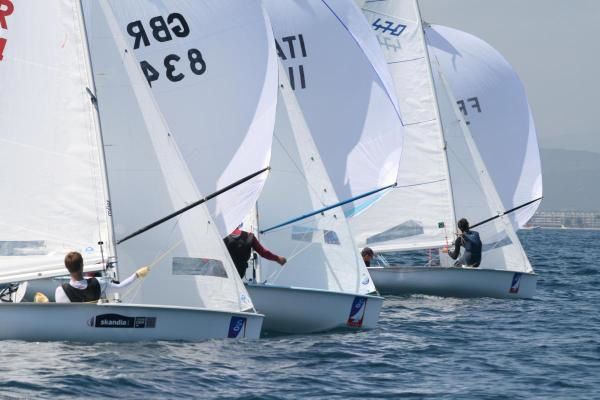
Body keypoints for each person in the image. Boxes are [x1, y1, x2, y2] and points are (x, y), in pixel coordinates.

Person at [54, 251, 150, 303]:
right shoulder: (99, 283)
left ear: (67, 268)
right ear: (82, 265)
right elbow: (121, 287)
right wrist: (137, 275)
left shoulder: (60, 291)